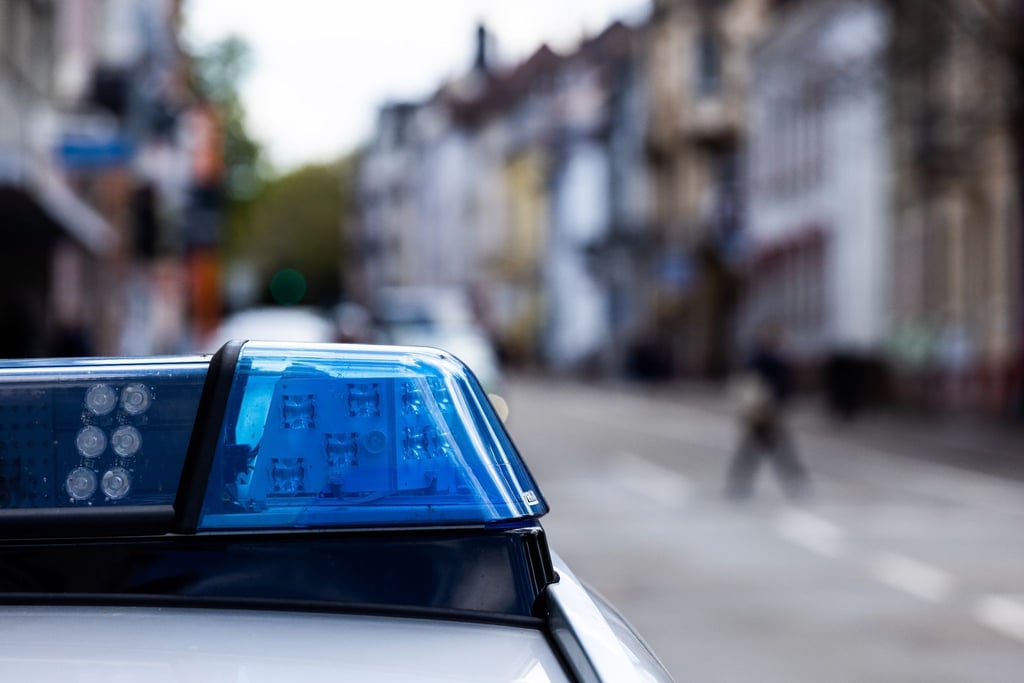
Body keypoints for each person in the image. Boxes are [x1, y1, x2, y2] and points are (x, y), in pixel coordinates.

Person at [725, 324, 811, 501]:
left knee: (757, 450)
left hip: (766, 413)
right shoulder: (764, 361)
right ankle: (797, 485)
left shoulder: (759, 360)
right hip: (764, 412)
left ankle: (739, 485)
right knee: (774, 450)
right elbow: (750, 387)